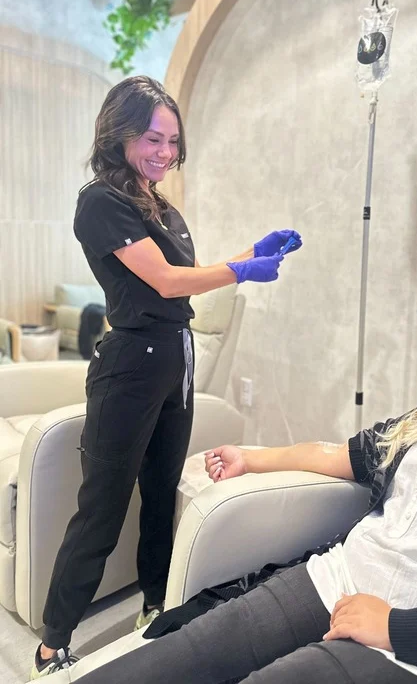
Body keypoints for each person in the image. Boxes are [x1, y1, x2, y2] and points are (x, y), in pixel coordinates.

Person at [71, 312, 417, 684]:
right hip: (333, 578)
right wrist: (251, 458)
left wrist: (397, 627)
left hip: (410, 642)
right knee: (176, 657)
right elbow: (339, 454)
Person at [32, 75, 302, 678]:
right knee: (100, 511)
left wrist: (250, 252)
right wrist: (241, 270)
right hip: (129, 367)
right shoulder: (100, 201)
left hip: (175, 360)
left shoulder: (162, 208)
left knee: (161, 497)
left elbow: (185, 278)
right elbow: (164, 280)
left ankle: (154, 609)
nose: (164, 151)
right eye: (153, 138)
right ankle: (52, 646)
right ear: (120, 133)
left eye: (173, 141)